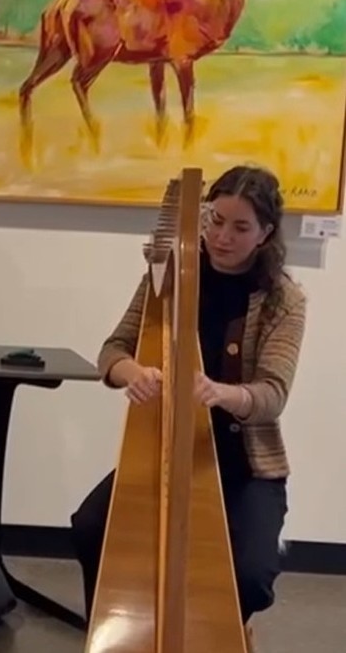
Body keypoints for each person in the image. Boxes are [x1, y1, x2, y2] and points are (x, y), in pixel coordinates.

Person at [70, 165, 307, 630]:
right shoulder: (168, 277)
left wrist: (221, 393)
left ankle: (215, 633)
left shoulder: (283, 300)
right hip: (169, 449)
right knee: (91, 527)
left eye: (240, 227)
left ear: (265, 234)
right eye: (215, 220)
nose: (222, 237)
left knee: (251, 576)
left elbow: (272, 394)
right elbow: (112, 351)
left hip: (244, 465)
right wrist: (133, 373)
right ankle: (119, 629)